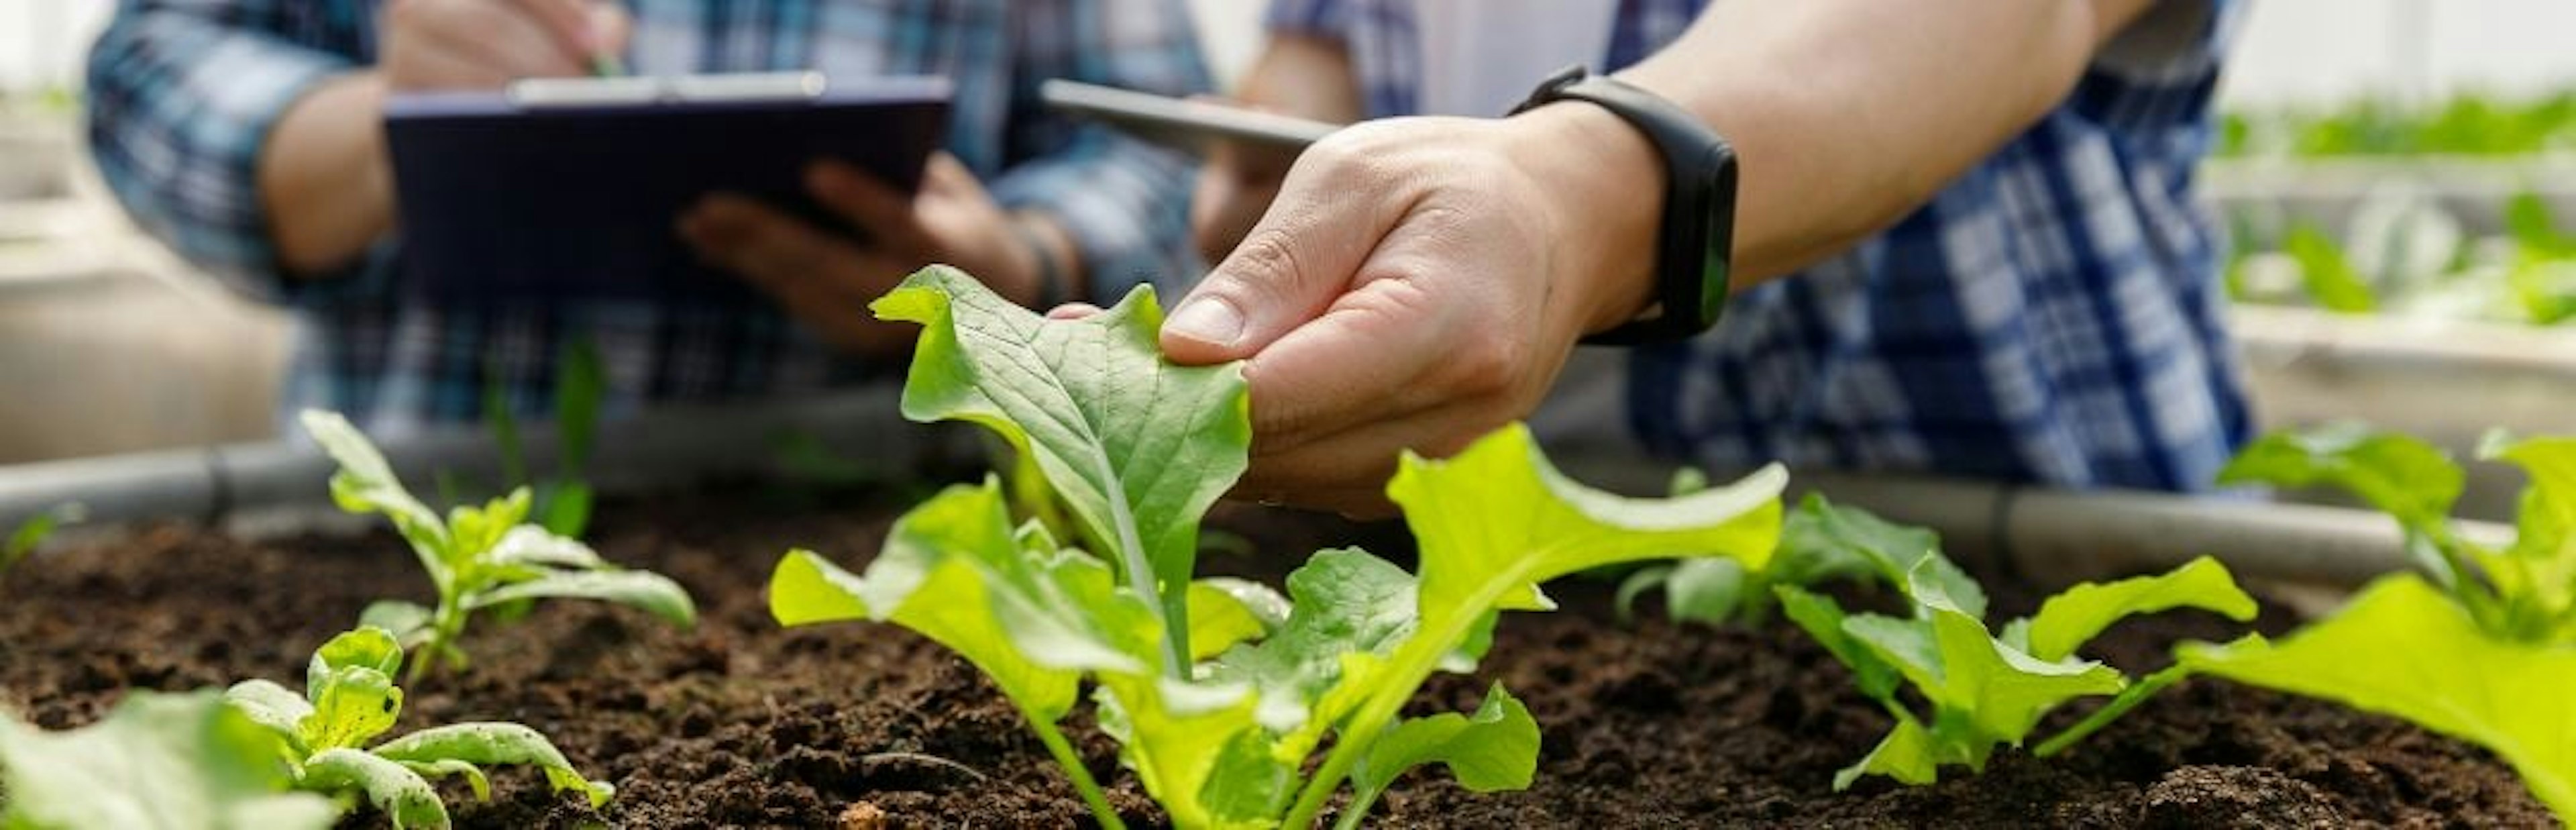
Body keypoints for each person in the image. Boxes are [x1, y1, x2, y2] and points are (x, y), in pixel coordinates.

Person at [1176, 0, 2253, 514]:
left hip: (2021, 538)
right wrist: (1298, 144)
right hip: (1547, 553)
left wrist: (1573, 194)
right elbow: (1328, 37)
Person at [87, 0, 1205, 433]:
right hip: (397, 497)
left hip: (854, 502)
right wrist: (380, 123)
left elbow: (1155, 147)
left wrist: (1011, 270)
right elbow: (149, 70)